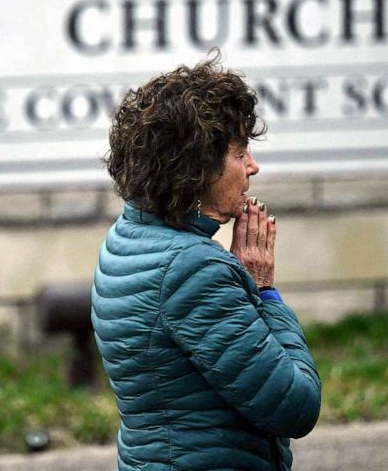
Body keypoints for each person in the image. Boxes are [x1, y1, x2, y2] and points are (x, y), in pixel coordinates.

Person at [91, 56, 322, 471]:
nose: (253, 166)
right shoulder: (193, 269)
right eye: (239, 152)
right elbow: (296, 405)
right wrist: (264, 289)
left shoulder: (126, 236)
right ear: (198, 167)